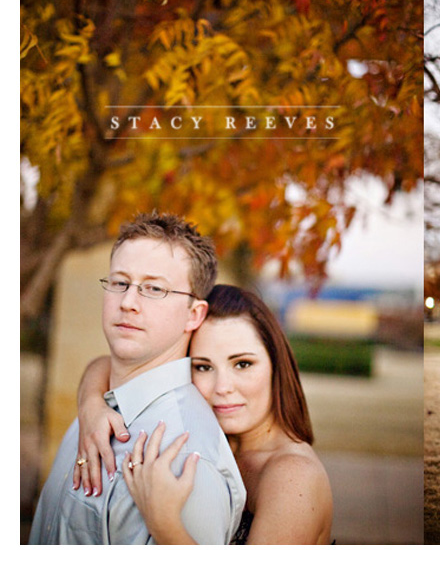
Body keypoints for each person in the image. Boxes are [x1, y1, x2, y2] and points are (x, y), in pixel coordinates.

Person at [29, 212, 246, 544]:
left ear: (193, 314)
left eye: (154, 288)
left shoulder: (185, 459)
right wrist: (90, 401)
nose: (128, 302)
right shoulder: (96, 410)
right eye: (119, 283)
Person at [74, 284, 334, 544]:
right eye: (203, 367)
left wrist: (163, 522)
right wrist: (91, 406)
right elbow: (104, 363)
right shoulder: (219, 441)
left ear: (276, 365)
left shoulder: (294, 476)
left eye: (243, 364)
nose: (222, 388)